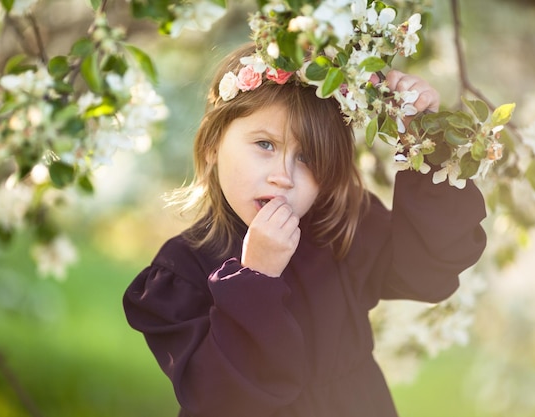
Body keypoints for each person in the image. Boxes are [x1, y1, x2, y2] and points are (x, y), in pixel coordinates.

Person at [123, 42, 487, 417]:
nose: (283, 176)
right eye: (265, 144)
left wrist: (424, 144)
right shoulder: (180, 271)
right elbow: (222, 398)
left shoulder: (342, 225)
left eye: (307, 157)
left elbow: (430, 272)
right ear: (213, 144)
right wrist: (255, 279)